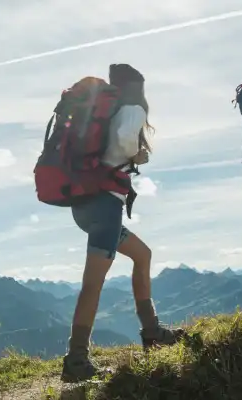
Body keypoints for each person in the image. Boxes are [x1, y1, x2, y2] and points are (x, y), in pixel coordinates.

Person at [60, 63, 185, 383]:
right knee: (94, 283)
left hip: (85, 205)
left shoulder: (105, 109)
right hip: (105, 206)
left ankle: (152, 332)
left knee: (142, 255)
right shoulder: (131, 108)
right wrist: (137, 155)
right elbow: (124, 140)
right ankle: (76, 359)